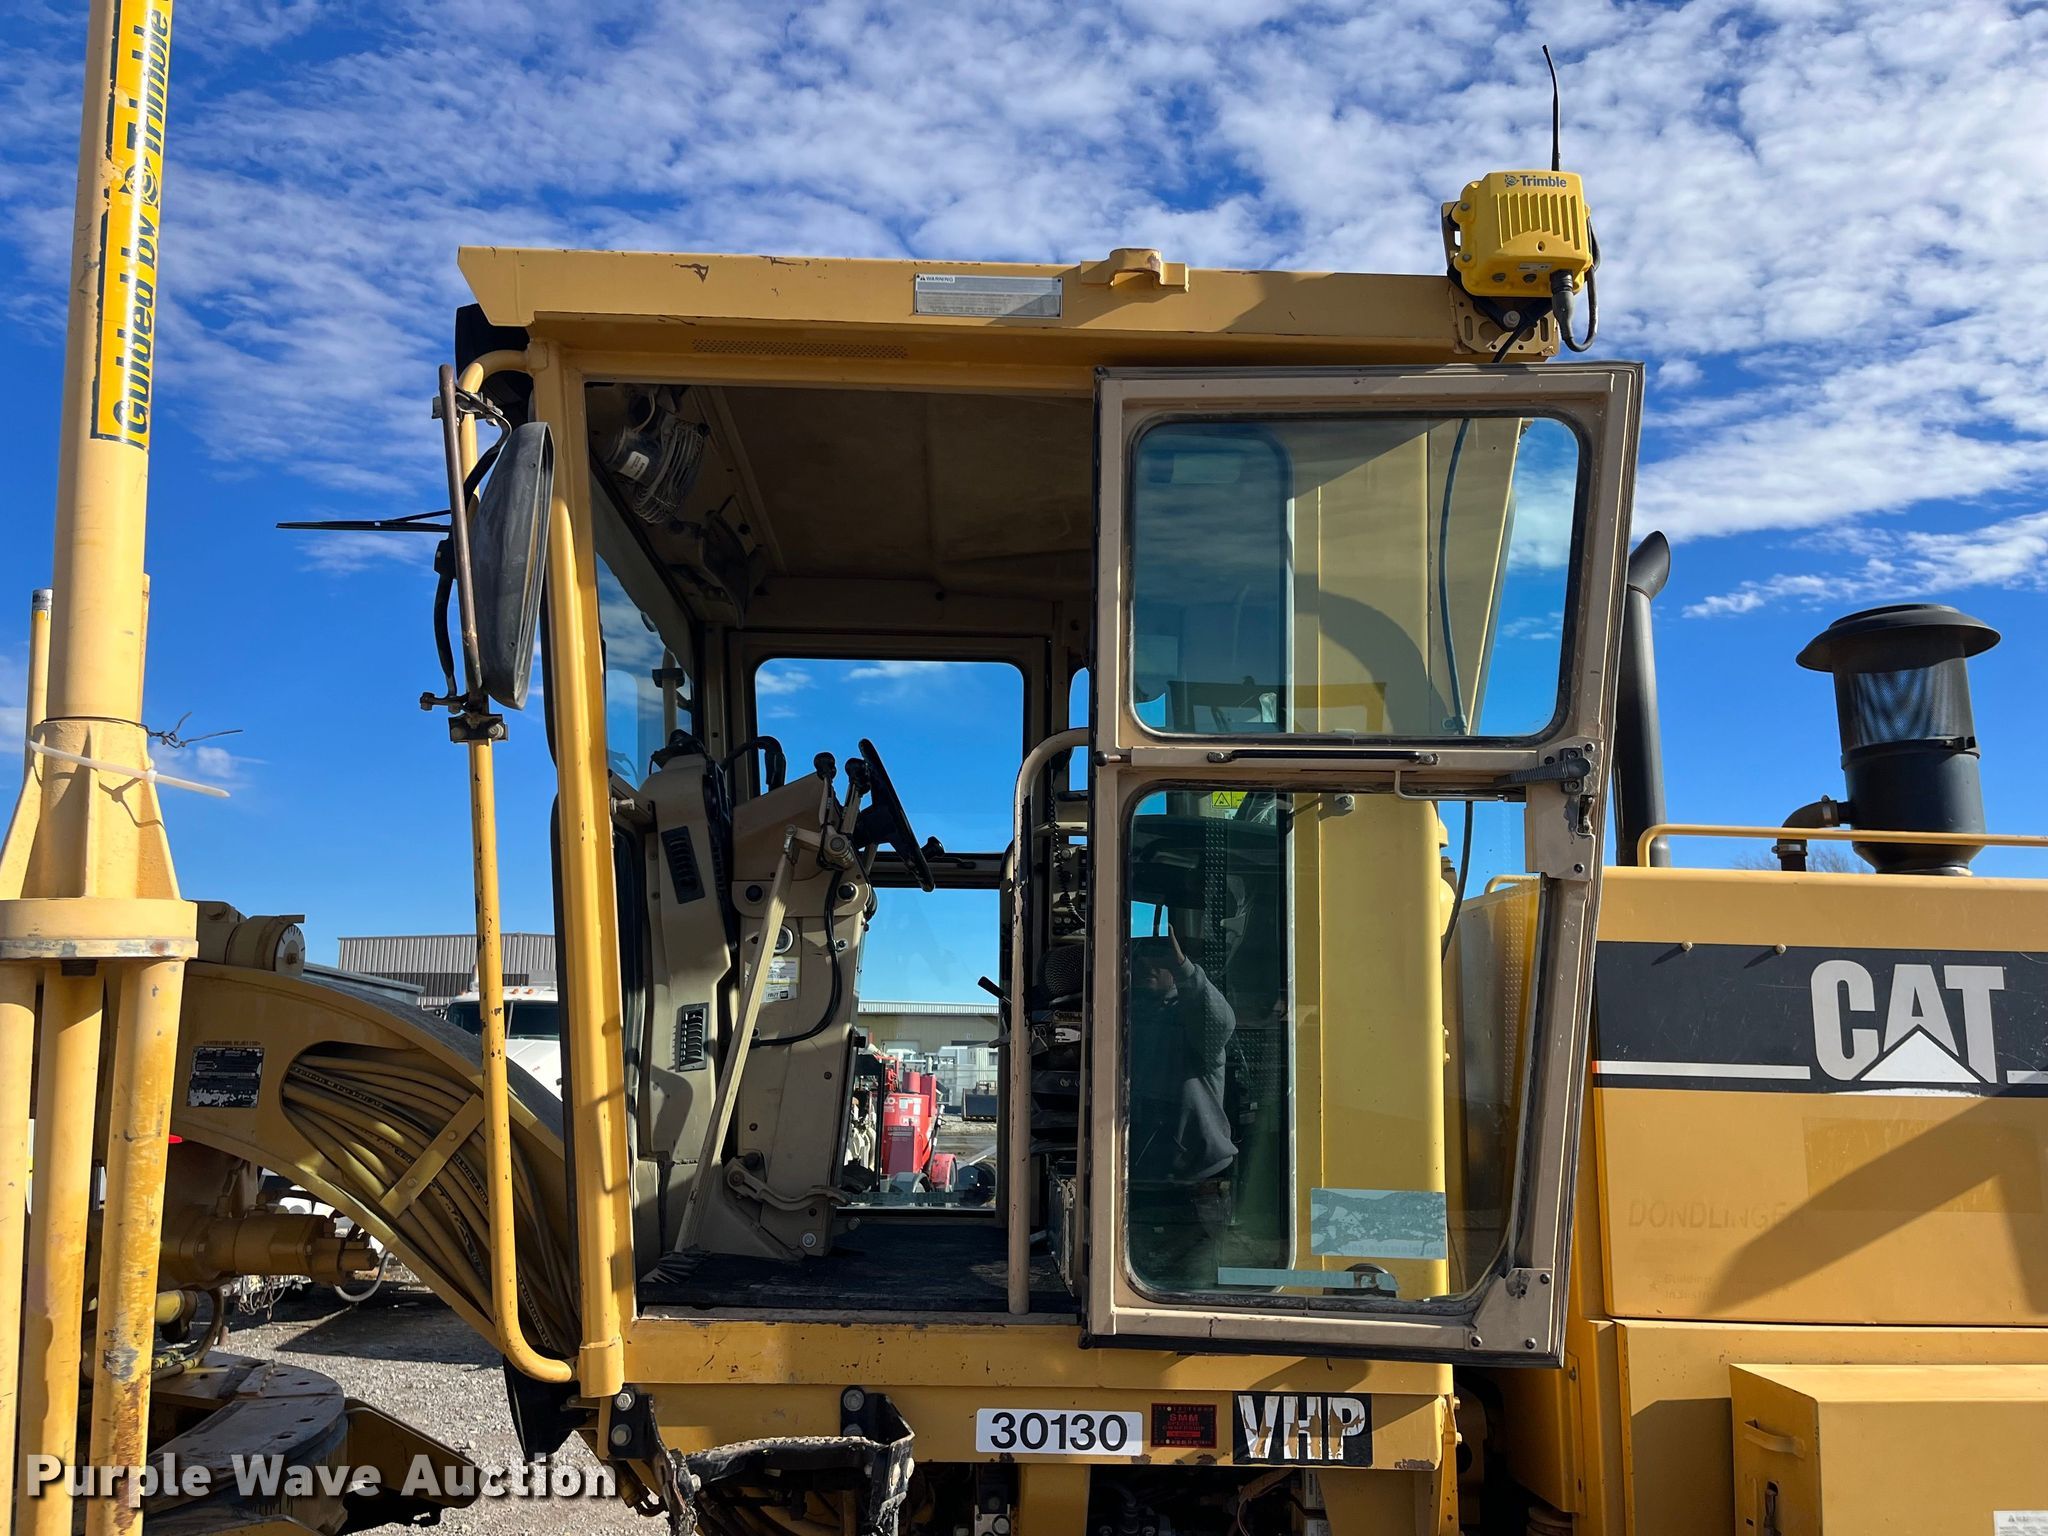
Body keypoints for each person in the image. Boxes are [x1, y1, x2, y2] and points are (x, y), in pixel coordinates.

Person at [1126, 928, 1239, 1288]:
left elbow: (1220, 1023)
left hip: (1197, 1180)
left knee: (1195, 1281)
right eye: (1139, 958)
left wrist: (1184, 968)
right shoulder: (1122, 1021)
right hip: (1139, 1178)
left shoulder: (1192, 1019)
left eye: (1159, 959)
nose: (1148, 966)